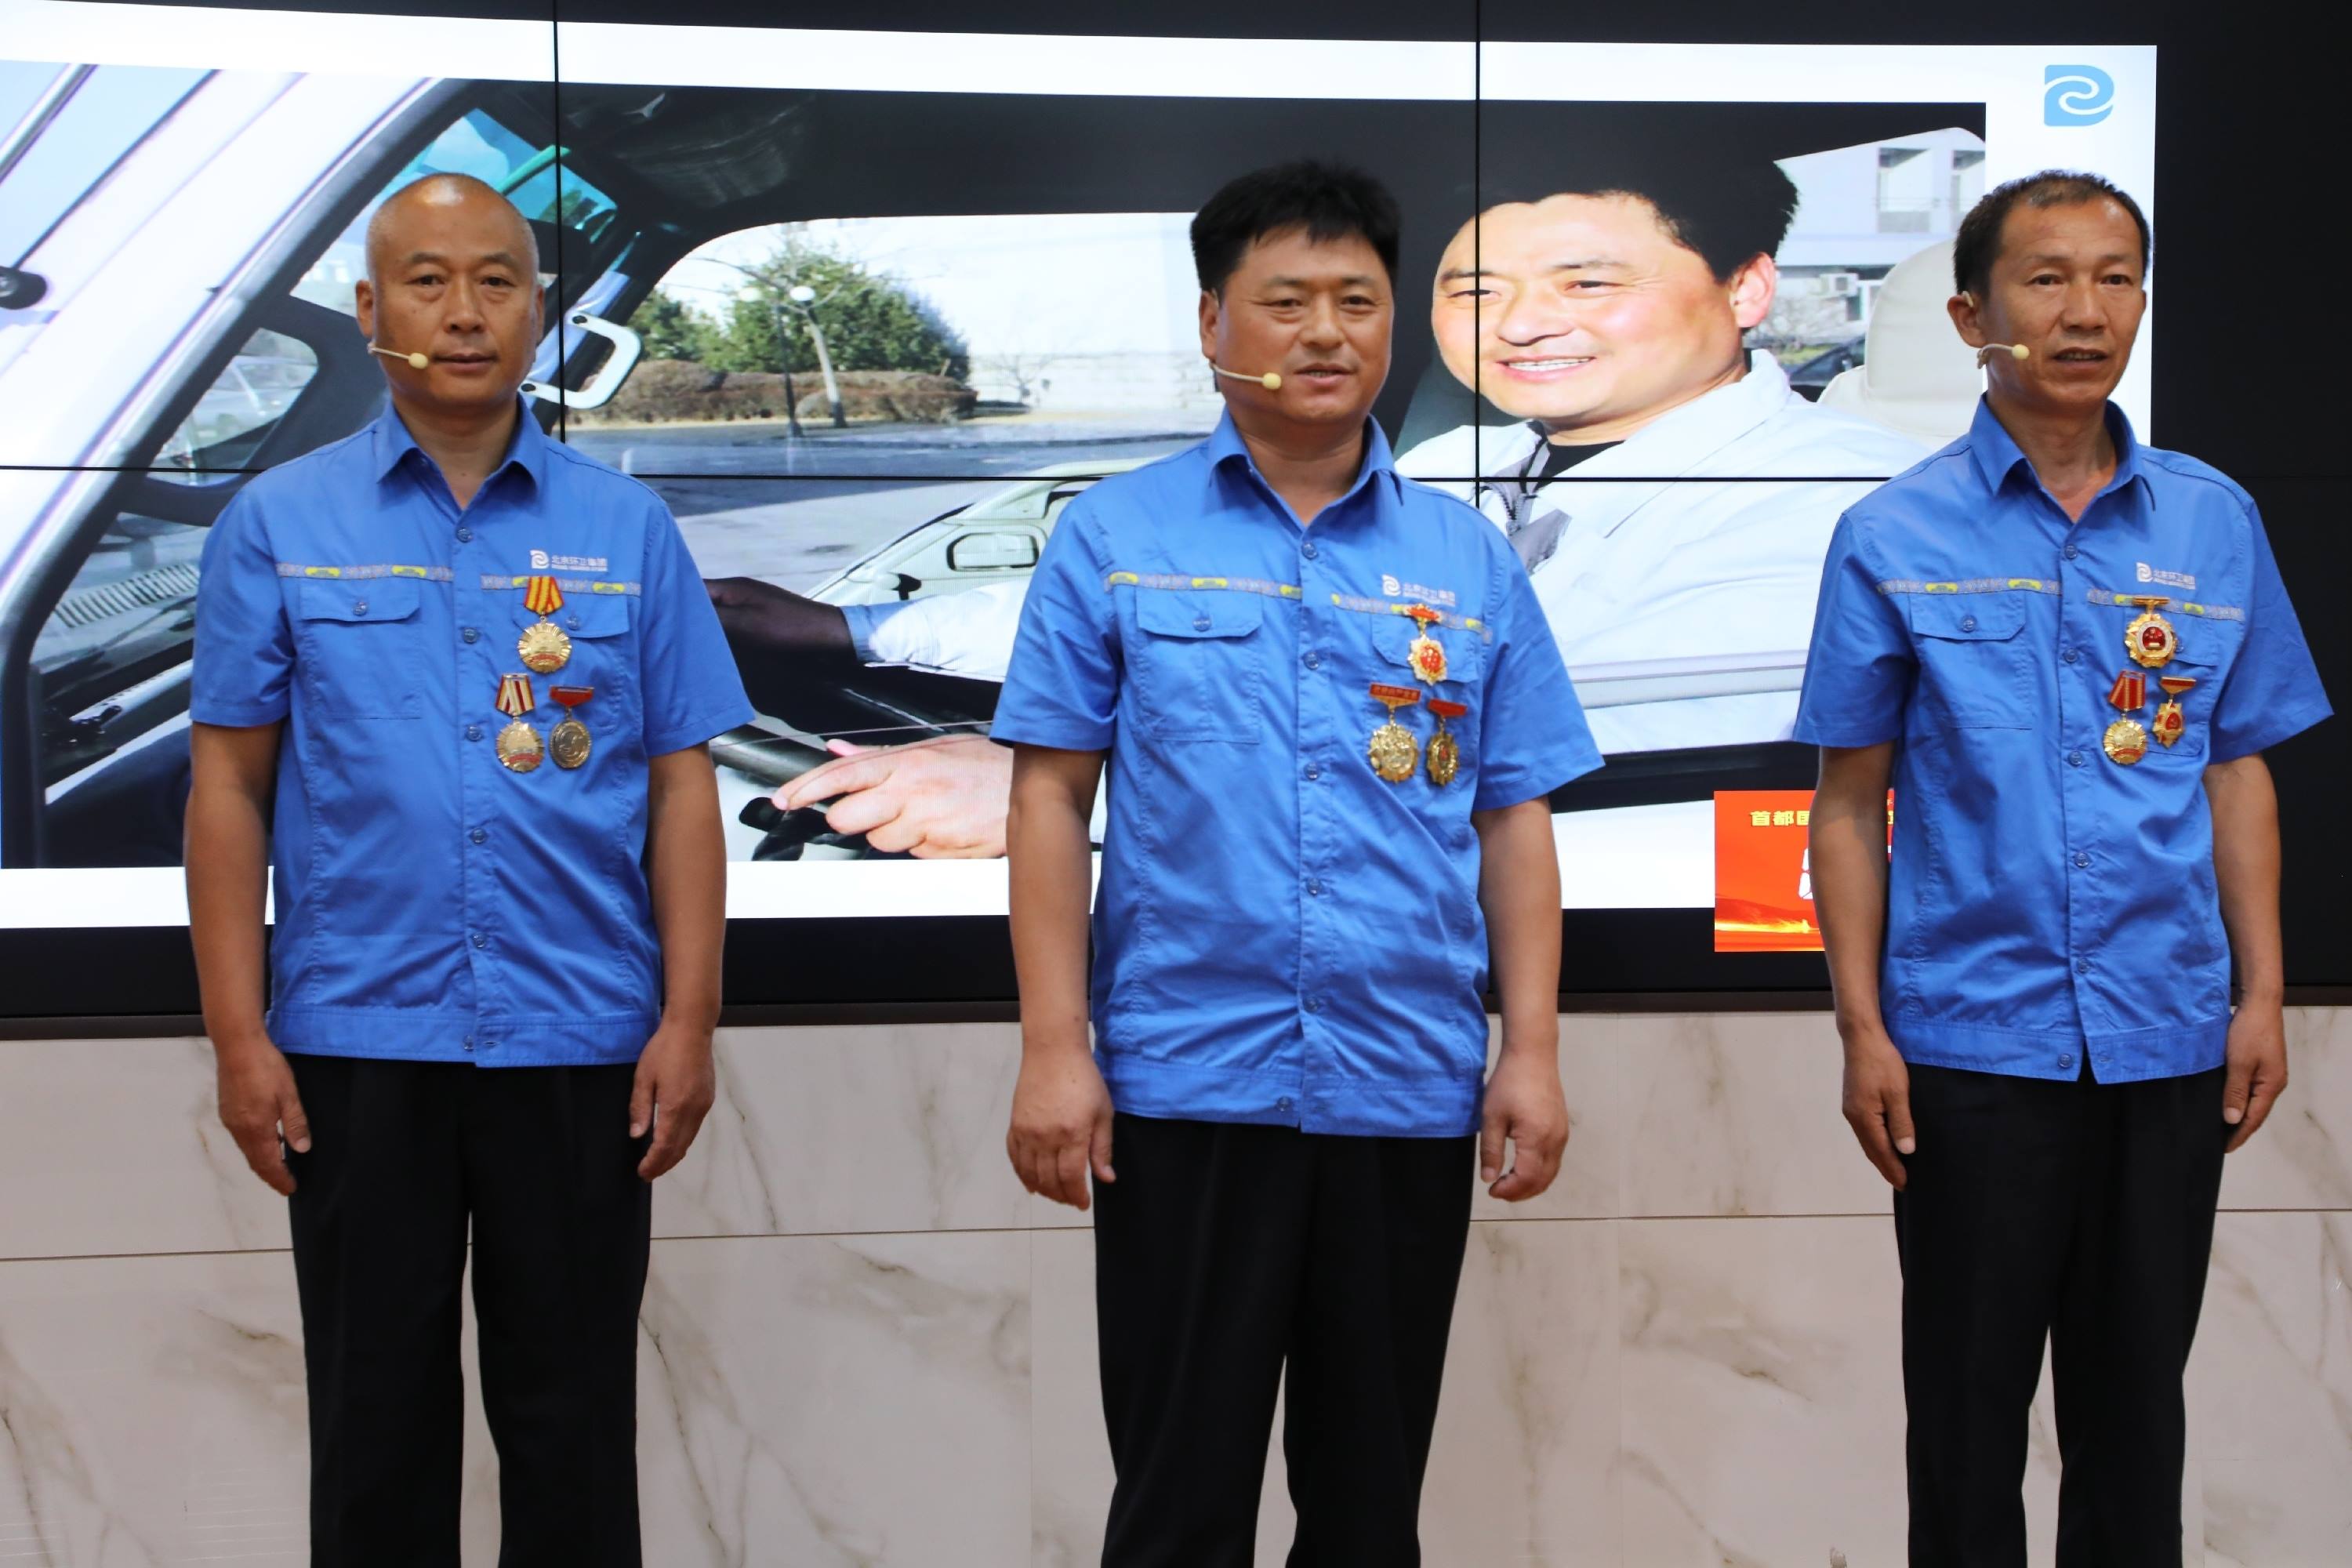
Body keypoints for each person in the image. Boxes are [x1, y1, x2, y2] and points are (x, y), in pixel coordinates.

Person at [993, 162, 1601, 1566]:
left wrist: (1532, 1051)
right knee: (1176, 1502)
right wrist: (1053, 1050)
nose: (1326, 332)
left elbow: (1513, 818)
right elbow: (1048, 801)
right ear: (1214, 323)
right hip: (1184, 1081)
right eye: (1286, 301)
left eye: (1357, 301)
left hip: (1403, 1082)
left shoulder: (1468, 560)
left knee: (1370, 1509)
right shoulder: (1116, 538)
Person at [184, 172, 753, 1566]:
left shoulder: (625, 531)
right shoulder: (278, 522)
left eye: (497, 280)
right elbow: (229, 789)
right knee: (374, 1438)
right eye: (427, 281)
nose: (463, 312)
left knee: (574, 1437)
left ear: (539, 312)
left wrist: (688, 1020)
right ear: (369, 309)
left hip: (581, 1041)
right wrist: (239, 1037)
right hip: (357, 1043)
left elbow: (682, 787)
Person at [1798, 171, 2330, 1566]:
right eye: (2046, 278)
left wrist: (2262, 994)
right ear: (1972, 315)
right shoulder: (1893, 532)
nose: (2085, 311)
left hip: (2166, 1034)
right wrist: (1862, 1029)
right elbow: (1848, 806)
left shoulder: (2212, 521)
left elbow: (2236, 769)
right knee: (1965, 1425)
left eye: (2115, 277)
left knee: (2136, 1419)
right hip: (1971, 1043)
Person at [1393, 157, 1928, 753]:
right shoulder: (1437, 465)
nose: (1518, 325)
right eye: (1476, 292)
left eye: (1588, 285)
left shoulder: (1851, 498)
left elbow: (1637, 744)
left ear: (1745, 288)